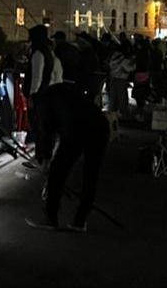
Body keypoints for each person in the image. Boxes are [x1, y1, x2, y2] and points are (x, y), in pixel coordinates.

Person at [26, 82, 110, 232]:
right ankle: (80, 221)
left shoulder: (42, 104)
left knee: (57, 173)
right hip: (100, 125)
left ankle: (50, 218)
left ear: (30, 101)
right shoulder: (57, 91)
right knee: (91, 176)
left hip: (75, 130)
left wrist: (46, 161)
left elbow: (46, 133)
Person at [25, 24, 62, 167]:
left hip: (40, 96)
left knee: (40, 128)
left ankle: (39, 158)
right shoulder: (50, 53)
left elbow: (36, 77)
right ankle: (46, 158)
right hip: (49, 95)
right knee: (47, 129)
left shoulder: (38, 54)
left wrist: (32, 95)